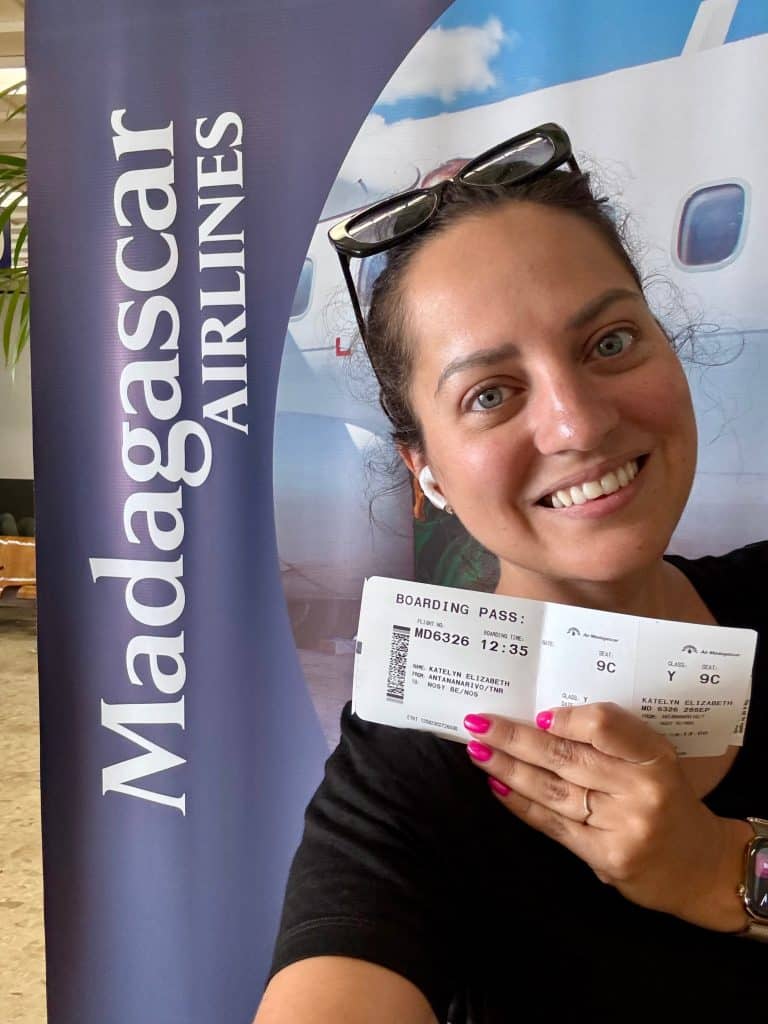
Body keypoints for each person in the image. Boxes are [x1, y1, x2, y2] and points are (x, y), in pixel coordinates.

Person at [254, 124, 767, 1023]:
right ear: (428, 472)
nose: (577, 425)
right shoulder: (410, 770)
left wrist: (724, 870)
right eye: (490, 394)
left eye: (609, 343)